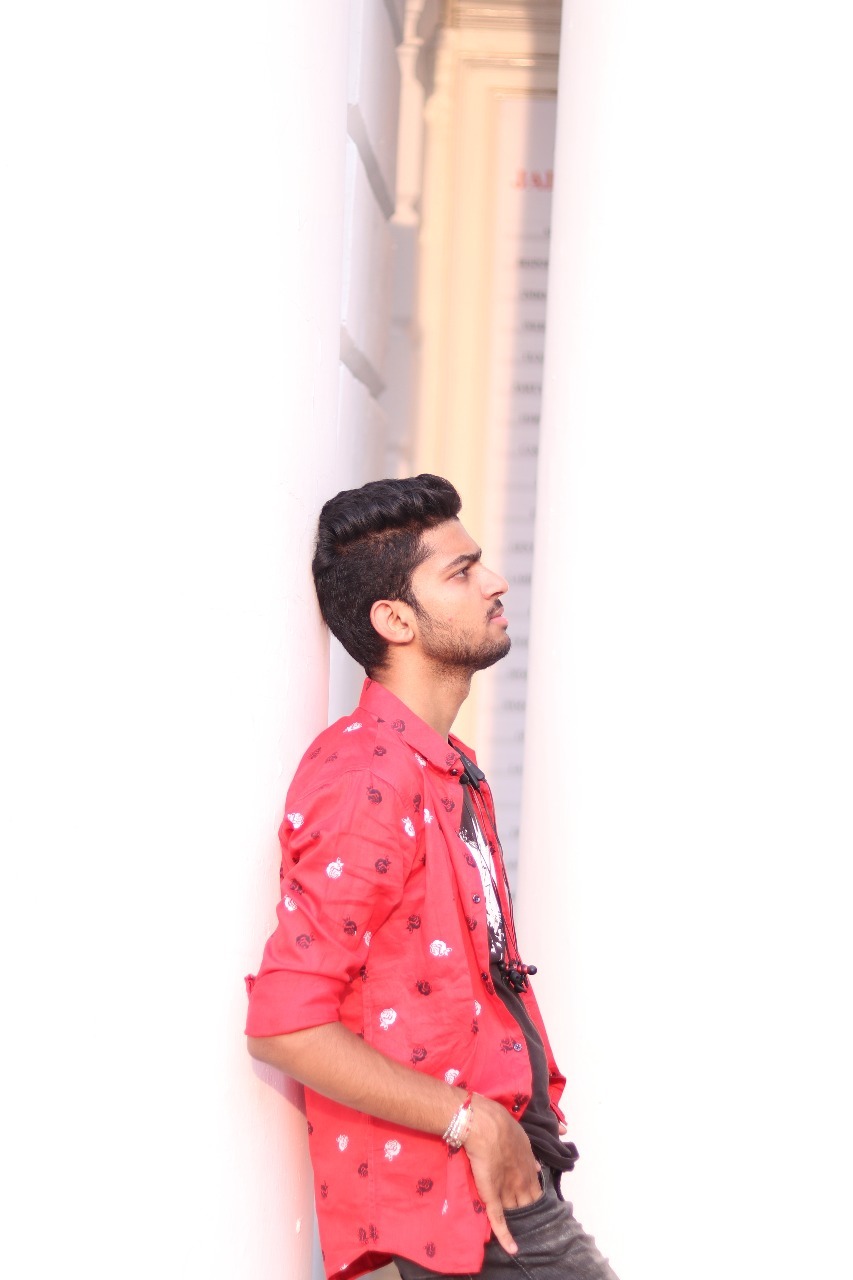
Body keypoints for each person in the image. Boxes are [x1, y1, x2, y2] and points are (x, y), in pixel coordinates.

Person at [246, 475, 618, 1280]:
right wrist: (472, 1123)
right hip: (463, 1196)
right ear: (395, 620)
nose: (495, 582)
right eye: (461, 571)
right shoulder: (366, 776)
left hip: (507, 1179)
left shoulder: (443, 767)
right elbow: (285, 1021)